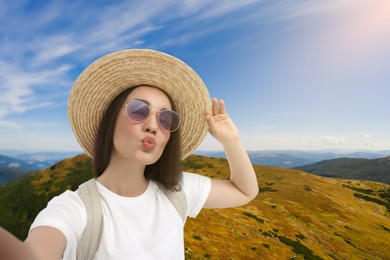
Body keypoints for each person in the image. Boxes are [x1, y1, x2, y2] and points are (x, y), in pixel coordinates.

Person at [2, 49, 258, 259]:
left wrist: (231, 141)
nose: (153, 125)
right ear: (110, 120)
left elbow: (245, 191)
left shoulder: (178, 191)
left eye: (166, 119)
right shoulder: (73, 209)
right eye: (138, 110)